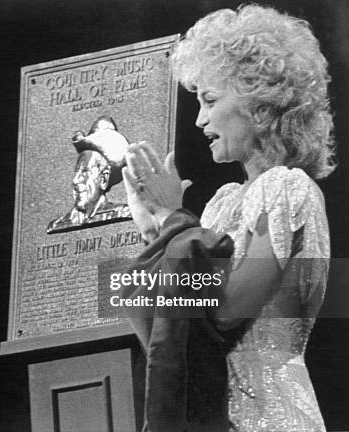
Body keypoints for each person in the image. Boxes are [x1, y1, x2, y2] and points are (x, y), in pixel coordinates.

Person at [121, 5, 334, 431]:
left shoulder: (288, 188)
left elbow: (226, 312)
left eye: (210, 100)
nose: (200, 119)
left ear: (259, 104)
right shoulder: (222, 204)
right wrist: (154, 233)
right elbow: (169, 340)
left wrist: (174, 221)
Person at [47, 115, 131, 234]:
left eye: (85, 172)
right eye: (77, 172)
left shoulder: (122, 213)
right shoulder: (57, 225)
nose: (75, 180)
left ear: (103, 179)